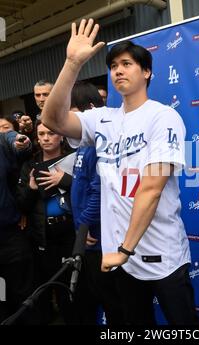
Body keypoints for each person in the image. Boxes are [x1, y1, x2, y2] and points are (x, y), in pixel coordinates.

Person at [42, 18, 199, 325]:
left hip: (160, 254)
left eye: (127, 64)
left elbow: (151, 188)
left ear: (147, 72)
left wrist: (125, 248)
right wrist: (72, 64)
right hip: (121, 261)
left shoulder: (163, 117)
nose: (118, 70)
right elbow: (52, 120)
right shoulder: (103, 118)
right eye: (113, 65)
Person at [70, 81, 123, 324]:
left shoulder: (97, 146)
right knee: (99, 296)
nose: (68, 119)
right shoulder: (83, 145)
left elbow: (99, 190)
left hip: (98, 237)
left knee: (114, 302)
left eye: (72, 112)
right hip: (88, 236)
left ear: (89, 109)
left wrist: (86, 225)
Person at [16, 120, 75, 324]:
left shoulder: (74, 159)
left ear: (61, 135)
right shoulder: (30, 165)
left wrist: (65, 180)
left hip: (71, 233)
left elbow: (89, 192)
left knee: (73, 289)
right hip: (44, 237)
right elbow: (22, 205)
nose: (46, 138)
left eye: (50, 133)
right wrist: (32, 188)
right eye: (41, 135)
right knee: (48, 286)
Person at [0, 130, 33, 323]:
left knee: (22, 294)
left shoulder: (3, 143)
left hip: (11, 236)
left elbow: (15, 141)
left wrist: (22, 142)